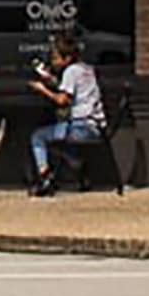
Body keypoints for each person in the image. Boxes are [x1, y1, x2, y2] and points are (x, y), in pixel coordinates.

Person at [25, 31, 107, 196]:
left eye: (55, 58)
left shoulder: (70, 71)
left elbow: (62, 100)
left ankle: (45, 177)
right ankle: (75, 163)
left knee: (38, 136)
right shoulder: (87, 68)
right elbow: (74, 89)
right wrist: (53, 82)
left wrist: (42, 89)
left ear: (67, 58)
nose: (53, 62)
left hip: (81, 127)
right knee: (59, 138)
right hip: (97, 126)